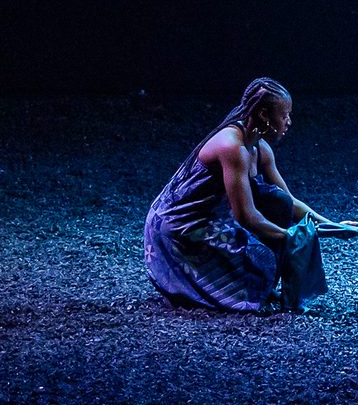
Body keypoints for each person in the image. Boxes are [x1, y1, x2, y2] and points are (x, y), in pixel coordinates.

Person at [143, 77, 346, 311]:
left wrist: (335, 228)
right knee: (262, 257)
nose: (289, 121)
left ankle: (258, 287)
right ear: (263, 115)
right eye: (284, 115)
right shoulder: (232, 147)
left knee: (278, 203)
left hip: (210, 219)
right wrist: (292, 236)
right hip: (181, 228)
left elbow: (290, 203)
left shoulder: (260, 148)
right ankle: (216, 288)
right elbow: (246, 216)